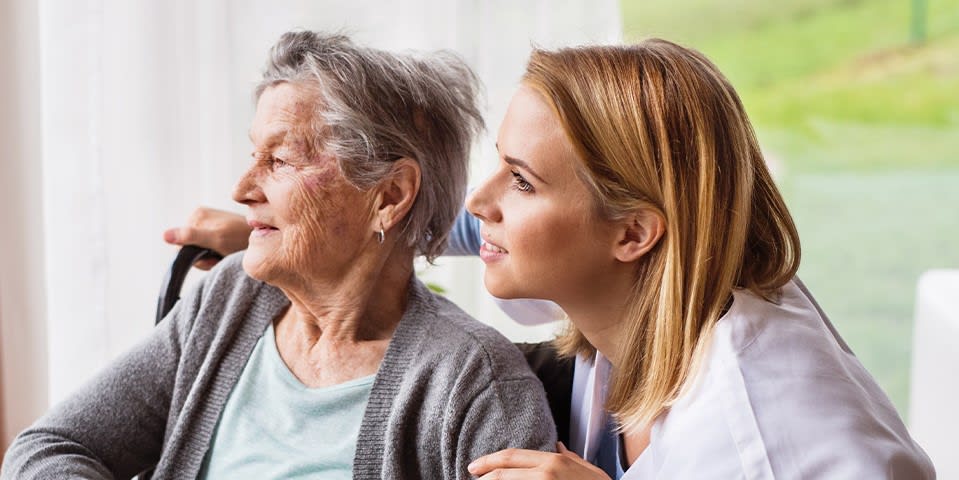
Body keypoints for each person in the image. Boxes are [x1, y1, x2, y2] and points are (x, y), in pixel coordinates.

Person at [161, 39, 936, 478]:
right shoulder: (651, 279)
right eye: (499, 161)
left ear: (633, 233)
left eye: (521, 181)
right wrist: (310, 233)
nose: (479, 198)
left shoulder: (760, 427)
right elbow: (483, 222)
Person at [1, 31, 556, 480]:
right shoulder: (228, 303)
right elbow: (48, 448)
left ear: (388, 196)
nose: (242, 188)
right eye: (253, 154)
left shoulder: (469, 382)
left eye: (282, 160)